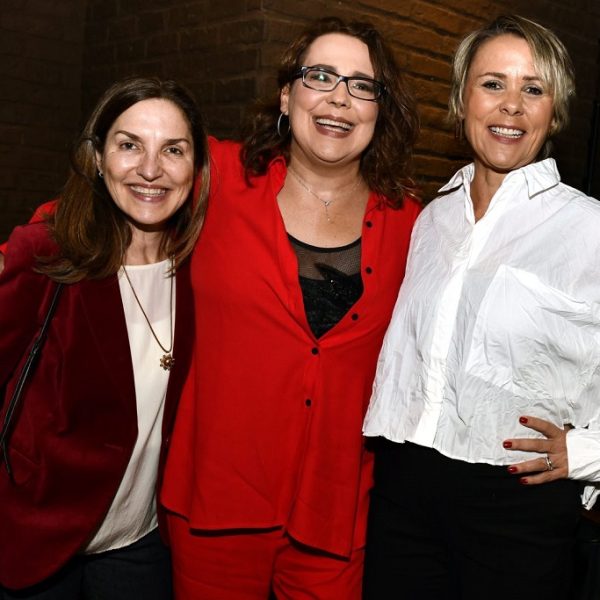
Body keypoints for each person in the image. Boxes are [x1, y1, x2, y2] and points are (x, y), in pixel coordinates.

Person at [159, 16, 421, 599]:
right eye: (320, 76)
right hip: (217, 503)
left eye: (362, 85)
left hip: (336, 515)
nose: (338, 98)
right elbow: (124, 192)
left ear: (380, 110)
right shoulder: (217, 178)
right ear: (287, 94)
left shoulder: (413, 224)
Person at [362, 14, 600, 600]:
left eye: (533, 88)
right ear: (462, 97)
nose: (511, 106)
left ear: (555, 110)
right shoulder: (429, 219)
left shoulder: (587, 229)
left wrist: (591, 452)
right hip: (401, 491)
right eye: (493, 84)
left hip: (517, 506)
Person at [0, 76, 209, 599]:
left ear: (196, 169)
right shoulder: (46, 253)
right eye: (129, 144)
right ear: (97, 156)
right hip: (36, 537)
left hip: (140, 545)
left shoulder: (201, 268)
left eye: (174, 150)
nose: (151, 169)